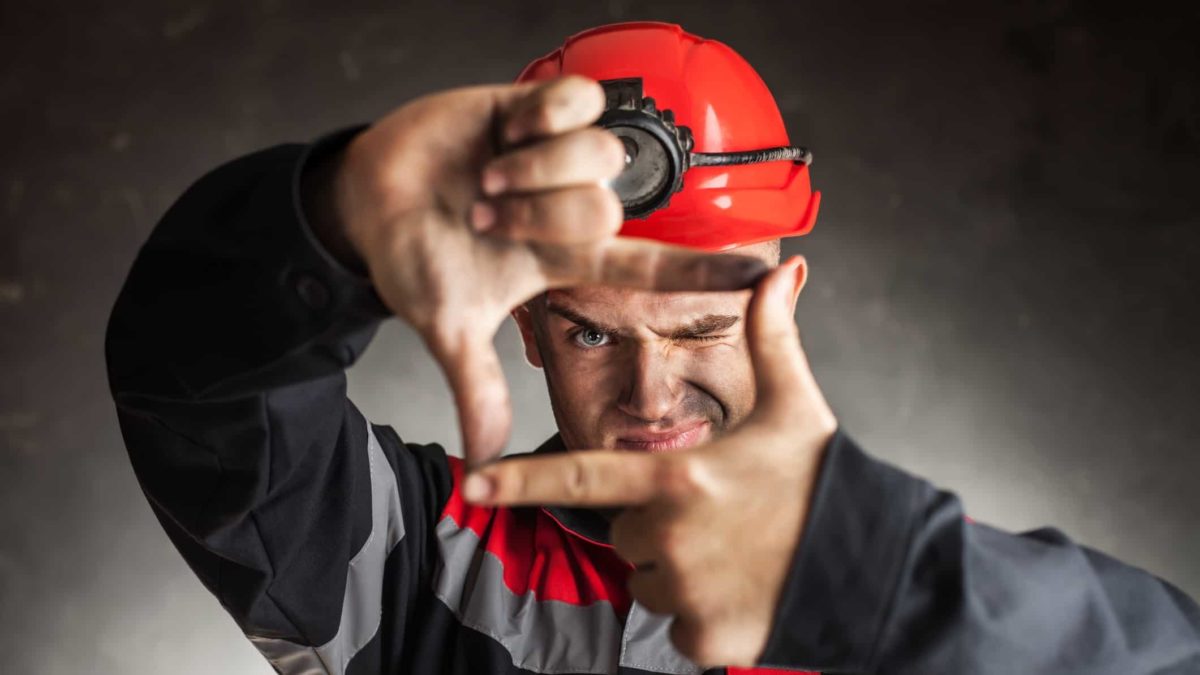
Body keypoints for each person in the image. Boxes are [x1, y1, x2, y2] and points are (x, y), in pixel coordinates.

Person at [105, 21, 1200, 675]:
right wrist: (330, 223)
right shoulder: (410, 569)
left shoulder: (925, 607)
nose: (652, 393)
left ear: (785, 297)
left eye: (704, 328)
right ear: (526, 325)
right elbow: (191, 389)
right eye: (590, 331)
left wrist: (868, 577)